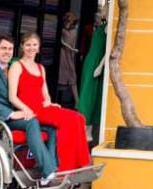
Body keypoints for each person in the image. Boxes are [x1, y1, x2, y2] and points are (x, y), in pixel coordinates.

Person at [0, 36, 57, 185]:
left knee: (52, 127)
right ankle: (48, 170)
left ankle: (51, 168)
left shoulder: (14, 67)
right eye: (3, 48)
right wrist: (11, 113)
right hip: (4, 119)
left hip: (22, 113)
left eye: (10, 49)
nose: (7, 52)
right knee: (32, 122)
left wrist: (47, 102)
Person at [8, 32, 91, 172]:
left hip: (43, 108)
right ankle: (65, 166)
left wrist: (48, 101)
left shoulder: (41, 68)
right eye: (28, 45)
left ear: (39, 47)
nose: (31, 48)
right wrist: (26, 109)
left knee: (79, 118)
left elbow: (45, 93)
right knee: (68, 120)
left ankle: (80, 163)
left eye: (34, 45)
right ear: (22, 47)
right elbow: (12, 97)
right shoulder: (17, 66)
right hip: (30, 110)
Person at [57, 12, 80, 108]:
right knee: (61, 75)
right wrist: (72, 49)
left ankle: (77, 101)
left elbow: (73, 43)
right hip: (63, 54)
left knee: (72, 77)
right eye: (67, 21)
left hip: (69, 55)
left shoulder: (74, 30)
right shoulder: (62, 30)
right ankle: (56, 100)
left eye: (70, 21)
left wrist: (73, 52)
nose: (68, 23)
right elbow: (61, 42)